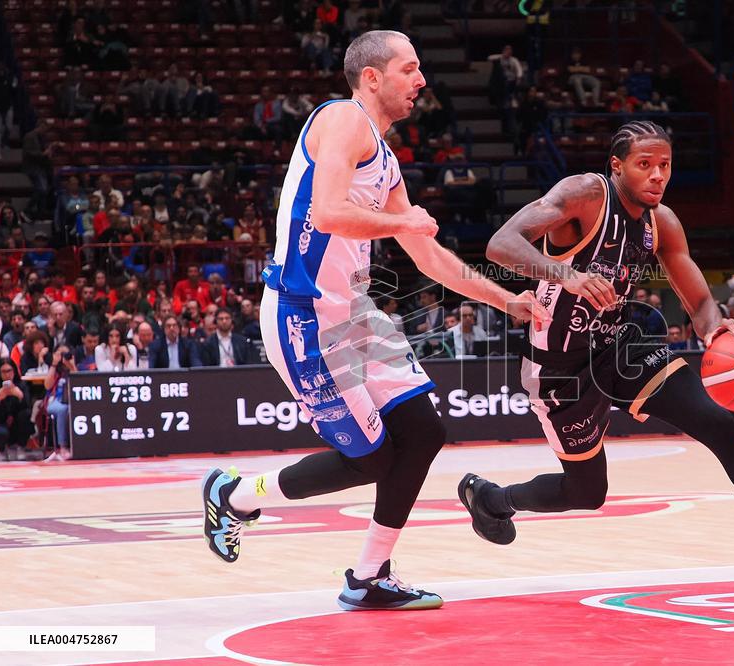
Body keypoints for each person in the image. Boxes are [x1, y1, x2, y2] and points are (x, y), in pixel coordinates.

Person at [458, 120, 734, 598]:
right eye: (645, 165)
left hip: (621, 343)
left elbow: (700, 302)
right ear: (617, 166)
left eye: (665, 166)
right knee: (586, 493)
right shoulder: (584, 195)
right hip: (559, 367)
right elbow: (500, 245)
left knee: (719, 425)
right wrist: (567, 274)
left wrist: (714, 329)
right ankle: (493, 499)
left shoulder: (663, 223)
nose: (657, 175)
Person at [202, 30, 548, 611]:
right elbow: (329, 212)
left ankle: (369, 576)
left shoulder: (385, 159)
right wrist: (404, 225)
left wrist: (507, 301)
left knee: (425, 433)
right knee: (371, 458)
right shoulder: (342, 120)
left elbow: (430, 258)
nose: (421, 80)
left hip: (356, 314)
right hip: (303, 316)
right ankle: (236, 496)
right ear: (372, 77)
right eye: (409, 69)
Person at [41, 345, 77, 461]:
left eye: (65, 354)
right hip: (55, 401)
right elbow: (47, 386)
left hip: (72, 401)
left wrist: (71, 366)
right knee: (62, 409)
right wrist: (54, 364)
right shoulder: (53, 369)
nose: (62, 357)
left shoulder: (72, 368)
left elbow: (79, 382)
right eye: (59, 354)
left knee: (74, 408)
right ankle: (63, 447)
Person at [0, 359, 32, 461]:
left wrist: (20, 397)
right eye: (4, 371)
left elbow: (28, 408)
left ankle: (20, 447)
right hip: (0, 423)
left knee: (26, 414)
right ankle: (1, 450)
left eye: (9, 371)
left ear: (14, 371)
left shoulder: (22, 385)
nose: (7, 374)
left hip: (17, 424)